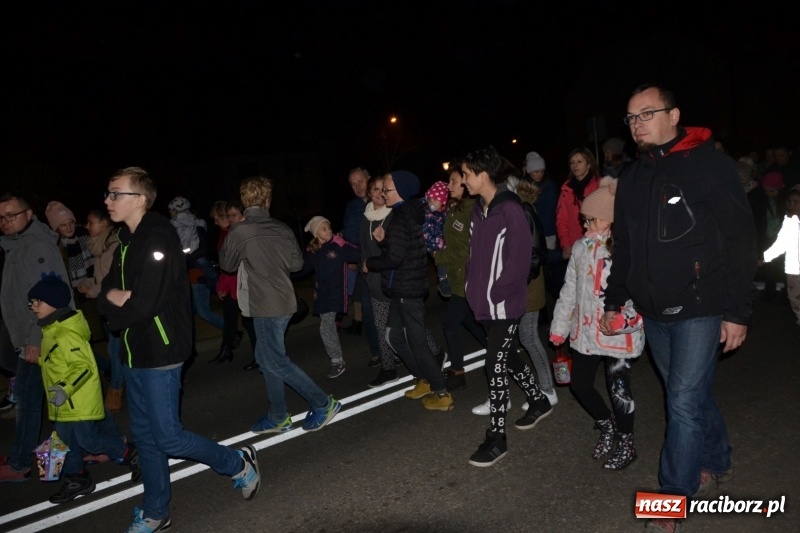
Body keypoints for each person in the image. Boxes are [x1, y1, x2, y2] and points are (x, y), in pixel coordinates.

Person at [600, 84, 757, 533]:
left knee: (683, 404)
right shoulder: (631, 176)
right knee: (689, 394)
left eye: (646, 114)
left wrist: (737, 311)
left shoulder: (710, 165)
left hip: (701, 304)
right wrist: (615, 299)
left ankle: (671, 503)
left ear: (675, 115)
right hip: (654, 310)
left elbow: (740, 241)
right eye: (630, 118)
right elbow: (625, 246)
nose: (637, 124)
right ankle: (716, 458)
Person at [98, 167, 261, 531]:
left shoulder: (158, 237)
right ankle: (156, 511)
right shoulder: (125, 239)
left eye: (115, 194)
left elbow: (144, 304)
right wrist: (113, 298)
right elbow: (104, 293)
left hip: (160, 349)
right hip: (133, 350)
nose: (107, 200)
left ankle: (237, 462)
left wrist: (116, 302)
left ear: (139, 199)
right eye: (107, 194)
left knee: (168, 435)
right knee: (144, 437)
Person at [219, 176, 342, 434]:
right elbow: (297, 265)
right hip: (284, 301)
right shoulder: (282, 228)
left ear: (244, 202)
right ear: (267, 201)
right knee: (267, 361)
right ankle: (278, 415)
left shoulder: (239, 230)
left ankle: (322, 403)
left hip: (265, 305)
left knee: (276, 361)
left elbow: (227, 265)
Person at [462, 147, 550, 467]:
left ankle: (497, 438)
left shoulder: (511, 208)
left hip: (505, 304)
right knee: (508, 356)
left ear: (483, 175)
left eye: (467, 174)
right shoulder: (478, 209)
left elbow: (521, 260)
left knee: (494, 366)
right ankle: (538, 401)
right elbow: (475, 256)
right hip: (483, 303)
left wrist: (498, 292)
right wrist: (473, 288)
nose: (463, 180)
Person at [550, 177, 645, 470]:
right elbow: (569, 289)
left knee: (619, 391)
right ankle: (607, 425)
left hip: (617, 335)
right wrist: (559, 328)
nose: (585, 224)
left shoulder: (625, 250)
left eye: (592, 219)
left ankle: (627, 443)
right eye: (584, 219)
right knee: (579, 385)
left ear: (610, 220)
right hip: (585, 333)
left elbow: (640, 296)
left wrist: (623, 320)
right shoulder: (581, 247)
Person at [28, 274, 141, 503]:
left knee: (89, 441)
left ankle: (130, 453)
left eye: (37, 301)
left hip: (76, 400)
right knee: (64, 444)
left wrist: (63, 388)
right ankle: (77, 478)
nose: (33, 307)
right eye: (31, 303)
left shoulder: (66, 334)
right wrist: (39, 360)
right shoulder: (51, 331)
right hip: (62, 403)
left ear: (54, 303)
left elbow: (84, 366)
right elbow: (58, 363)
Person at [364, 170, 453, 412]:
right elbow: (402, 249)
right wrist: (384, 242)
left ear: (401, 191)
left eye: (387, 189)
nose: (383, 193)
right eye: (382, 190)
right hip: (401, 287)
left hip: (408, 288)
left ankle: (441, 392)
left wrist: (370, 263)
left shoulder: (403, 216)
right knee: (393, 335)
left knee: (417, 342)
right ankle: (424, 378)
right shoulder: (404, 213)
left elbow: (394, 259)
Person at [0, 192, 71, 483]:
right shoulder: (17, 244)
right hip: (32, 336)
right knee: (64, 396)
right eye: (1, 218)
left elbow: (48, 292)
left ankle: (19, 464)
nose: (5, 222)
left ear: (29, 214)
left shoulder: (35, 244)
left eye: (11, 215)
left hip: (39, 336)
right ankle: (107, 445)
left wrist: (32, 338)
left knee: (29, 403)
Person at [435, 166, 487, 391]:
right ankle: (498, 349)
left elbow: (467, 250)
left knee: (450, 323)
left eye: (454, 181)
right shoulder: (454, 209)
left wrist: (439, 256)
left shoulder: (470, 211)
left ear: (466, 185)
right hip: (457, 277)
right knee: (466, 319)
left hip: (468, 277)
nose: (449, 186)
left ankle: (457, 372)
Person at [297, 216, 361, 378]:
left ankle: (337, 360)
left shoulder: (338, 245)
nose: (329, 230)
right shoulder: (313, 251)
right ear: (316, 233)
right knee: (328, 326)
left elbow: (357, 254)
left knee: (326, 327)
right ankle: (337, 358)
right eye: (323, 228)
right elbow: (303, 269)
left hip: (336, 293)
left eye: (329, 227)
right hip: (322, 295)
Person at [76, 209, 124, 410]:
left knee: (116, 351)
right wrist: (86, 283)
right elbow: (98, 277)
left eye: (91, 222)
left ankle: (116, 391)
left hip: (118, 306)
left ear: (104, 224)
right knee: (117, 351)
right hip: (109, 306)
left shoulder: (112, 247)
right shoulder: (100, 247)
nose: (87, 226)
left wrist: (93, 290)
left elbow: (110, 280)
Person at [360, 175, 401, 386]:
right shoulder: (365, 217)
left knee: (406, 325)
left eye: (381, 189)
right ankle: (388, 368)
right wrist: (364, 267)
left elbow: (395, 251)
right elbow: (364, 250)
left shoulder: (394, 215)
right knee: (380, 327)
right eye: (374, 189)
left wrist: (373, 262)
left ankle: (435, 354)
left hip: (395, 280)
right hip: (375, 282)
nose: (378, 193)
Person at [45, 201, 104, 343]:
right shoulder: (54, 245)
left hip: (93, 286)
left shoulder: (86, 235)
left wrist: (90, 280)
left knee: (98, 327)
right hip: (72, 294)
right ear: (56, 227)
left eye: (71, 222)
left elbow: (98, 259)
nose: (69, 227)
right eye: (63, 225)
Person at [207, 201, 245, 364]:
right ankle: (226, 349)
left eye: (217, 218)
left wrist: (222, 286)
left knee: (248, 320)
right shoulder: (224, 233)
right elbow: (225, 266)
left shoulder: (234, 233)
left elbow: (232, 265)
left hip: (240, 283)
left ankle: (262, 355)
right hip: (231, 283)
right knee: (230, 316)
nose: (215, 222)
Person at [762, 185, 800, 325]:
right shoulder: (789, 221)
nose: (792, 205)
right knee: (796, 302)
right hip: (794, 271)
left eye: (796, 201)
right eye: (790, 202)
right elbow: (781, 243)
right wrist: (765, 258)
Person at [556, 148, 601, 261]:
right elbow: (561, 219)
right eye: (572, 162)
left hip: (598, 244)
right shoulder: (566, 189)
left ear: (589, 164)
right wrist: (566, 244)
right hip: (575, 245)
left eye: (579, 162)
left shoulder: (599, 187)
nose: (575, 165)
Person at [423, 181, 451, 298]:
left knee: (444, 264)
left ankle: (445, 281)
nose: (431, 202)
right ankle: (443, 282)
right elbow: (426, 232)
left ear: (443, 201)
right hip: (432, 245)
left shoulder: (445, 214)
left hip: (442, 245)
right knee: (441, 265)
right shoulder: (428, 214)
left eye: (435, 199)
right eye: (430, 199)